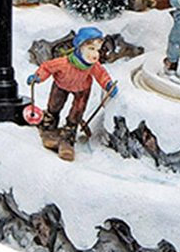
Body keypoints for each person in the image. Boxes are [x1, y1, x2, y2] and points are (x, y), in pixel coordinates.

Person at [28, 26, 118, 160]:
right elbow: (47, 67)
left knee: (77, 111)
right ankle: (50, 121)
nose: (95, 54)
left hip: (82, 89)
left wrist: (107, 84)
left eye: (97, 50)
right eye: (91, 49)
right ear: (80, 47)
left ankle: (69, 133)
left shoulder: (93, 66)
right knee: (55, 103)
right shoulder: (64, 63)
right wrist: (38, 76)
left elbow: (101, 75)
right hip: (61, 85)